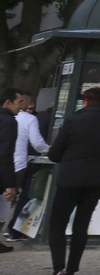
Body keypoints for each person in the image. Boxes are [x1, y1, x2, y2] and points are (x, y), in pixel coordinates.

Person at [45, 86, 100, 275]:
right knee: (81, 226)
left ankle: (58, 270)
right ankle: (71, 274)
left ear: (86, 102)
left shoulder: (72, 121)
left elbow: (54, 154)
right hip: (97, 181)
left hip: (69, 180)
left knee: (57, 225)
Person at [5, 94, 53, 242]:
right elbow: (37, 143)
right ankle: (14, 230)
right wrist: (50, 150)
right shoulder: (28, 119)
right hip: (17, 164)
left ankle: (10, 230)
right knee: (21, 197)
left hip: (6, 161)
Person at [0, 90, 21, 258]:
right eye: (18, 102)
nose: (22, 106)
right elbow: (5, 154)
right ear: (7, 102)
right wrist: (9, 184)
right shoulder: (8, 121)